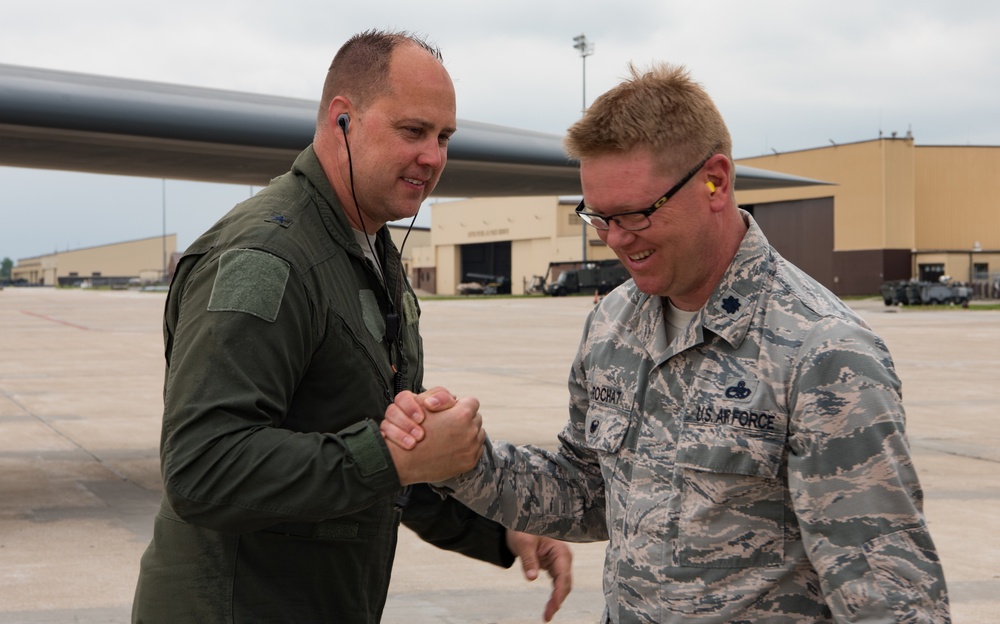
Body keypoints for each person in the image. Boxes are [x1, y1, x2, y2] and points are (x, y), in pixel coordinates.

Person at [384, 63, 951, 622]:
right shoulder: (613, 322)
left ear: (716, 182)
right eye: (598, 218)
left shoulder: (824, 353)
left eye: (634, 213)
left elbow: (889, 593)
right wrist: (461, 460)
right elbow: (587, 491)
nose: (616, 239)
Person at [131, 29, 571, 624]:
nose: (434, 157)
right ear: (343, 119)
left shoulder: (364, 249)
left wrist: (498, 530)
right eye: (412, 131)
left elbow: (372, 453)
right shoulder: (269, 257)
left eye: (444, 138)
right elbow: (203, 467)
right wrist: (393, 458)